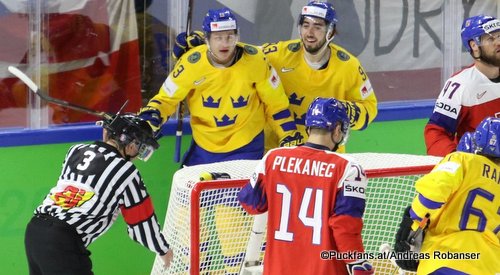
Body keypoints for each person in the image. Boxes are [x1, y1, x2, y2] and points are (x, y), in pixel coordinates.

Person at [172, 1, 377, 153]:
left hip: (325, 158)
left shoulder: (348, 65)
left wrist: (343, 110)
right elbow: (243, 52)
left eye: (318, 26)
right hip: (278, 153)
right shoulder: (279, 54)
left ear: (331, 32)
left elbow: (370, 109)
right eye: (306, 26)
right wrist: (202, 41)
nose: (310, 32)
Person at [139, 7, 300, 166]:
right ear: (207, 39)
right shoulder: (191, 63)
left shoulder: (256, 61)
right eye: (218, 37)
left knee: (243, 192)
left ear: (238, 36)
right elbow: (166, 100)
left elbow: (276, 105)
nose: (225, 43)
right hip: (205, 146)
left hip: (247, 145)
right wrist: (150, 119)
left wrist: (288, 134)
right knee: (190, 190)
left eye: (230, 37)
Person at [238, 97, 374, 275]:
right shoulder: (347, 168)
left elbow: (251, 204)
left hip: (278, 269)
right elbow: (345, 227)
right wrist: (357, 262)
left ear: (309, 128)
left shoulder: (273, 158)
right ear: (338, 129)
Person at [24, 114, 173, 274]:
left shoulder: (75, 151)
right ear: (131, 145)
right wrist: (163, 250)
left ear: (106, 133)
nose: (138, 154)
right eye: (141, 147)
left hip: (34, 231)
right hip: (62, 241)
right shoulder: (126, 171)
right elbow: (142, 224)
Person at [394, 116, 500, 274]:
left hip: (445, 259)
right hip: (488, 267)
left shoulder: (463, 160)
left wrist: (412, 224)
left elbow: (431, 195)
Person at [424, 14, 500, 157]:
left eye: (499, 36)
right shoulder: (460, 85)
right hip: (481, 173)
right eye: (490, 39)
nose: (498, 42)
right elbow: (436, 132)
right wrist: (457, 162)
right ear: (474, 46)